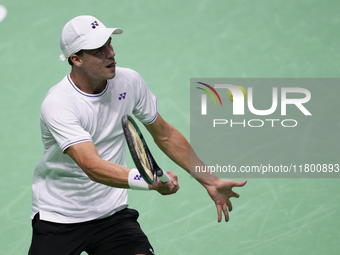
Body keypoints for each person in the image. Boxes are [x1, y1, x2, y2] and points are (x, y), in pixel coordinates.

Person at [28, 15, 247, 255]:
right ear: (76, 59)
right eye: (98, 50)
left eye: (109, 43)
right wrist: (149, 180)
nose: (110, 53)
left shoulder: (129, 81)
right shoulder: (59, 104)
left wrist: (211, 180)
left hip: (112, 215)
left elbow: (165, 135)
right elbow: (91, 166)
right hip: (60, 217)